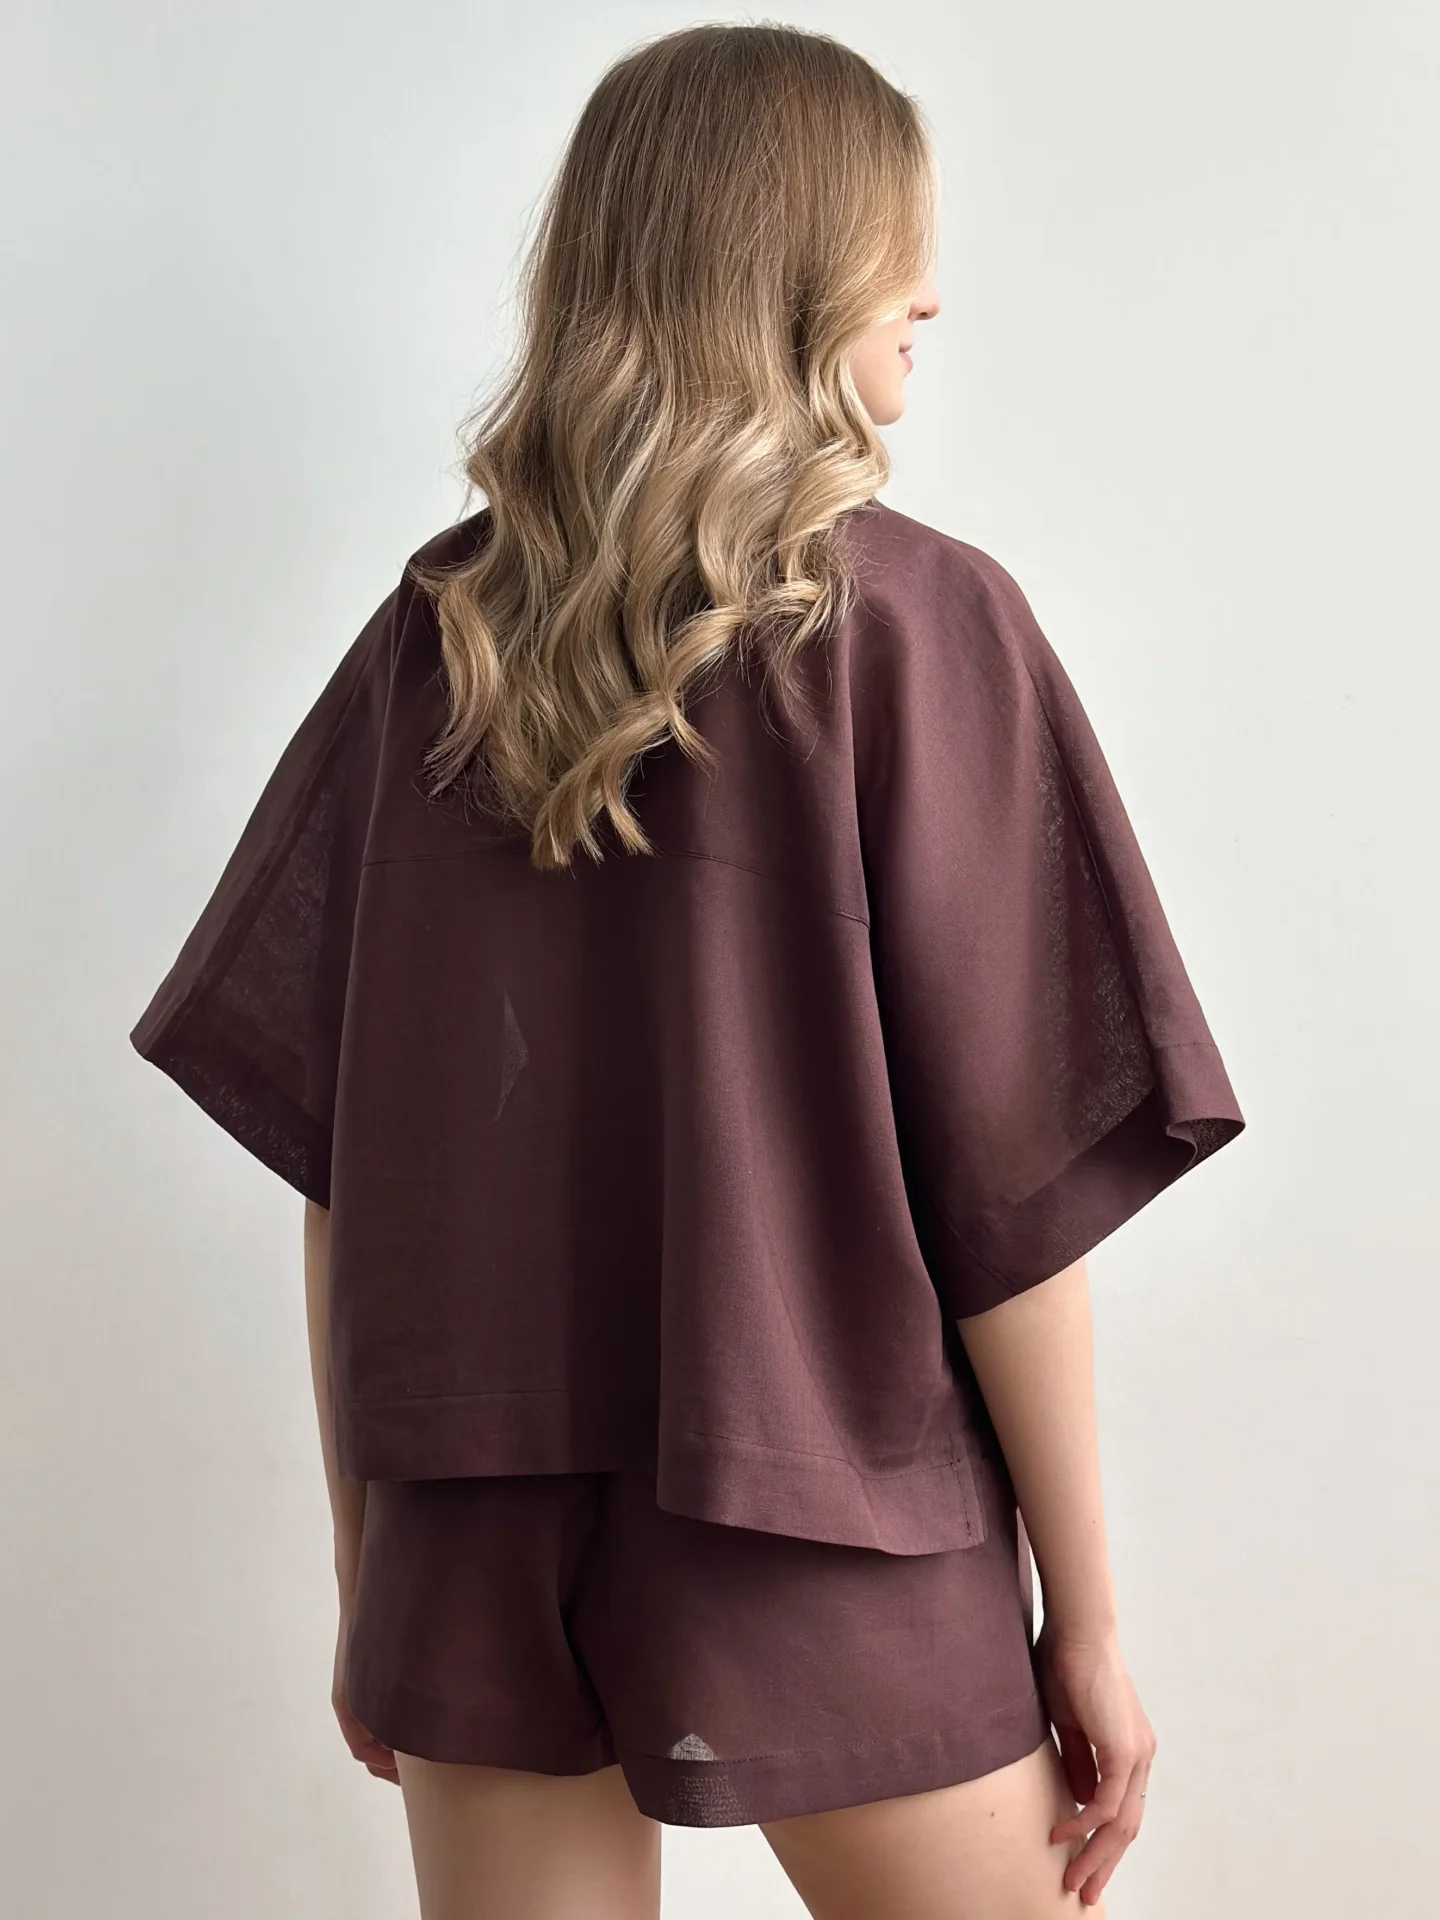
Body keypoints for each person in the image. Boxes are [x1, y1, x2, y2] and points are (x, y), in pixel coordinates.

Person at [129, 22, 1245, 1919]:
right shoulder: (917, 623)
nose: (932, 292)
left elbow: (347, 1169)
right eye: (898, 243)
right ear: (789, 267)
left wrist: (365, 1562)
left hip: (471, 1529)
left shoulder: (437, 639)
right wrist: (1088, 1619)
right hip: (833, 1512)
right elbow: (1009, 1194)